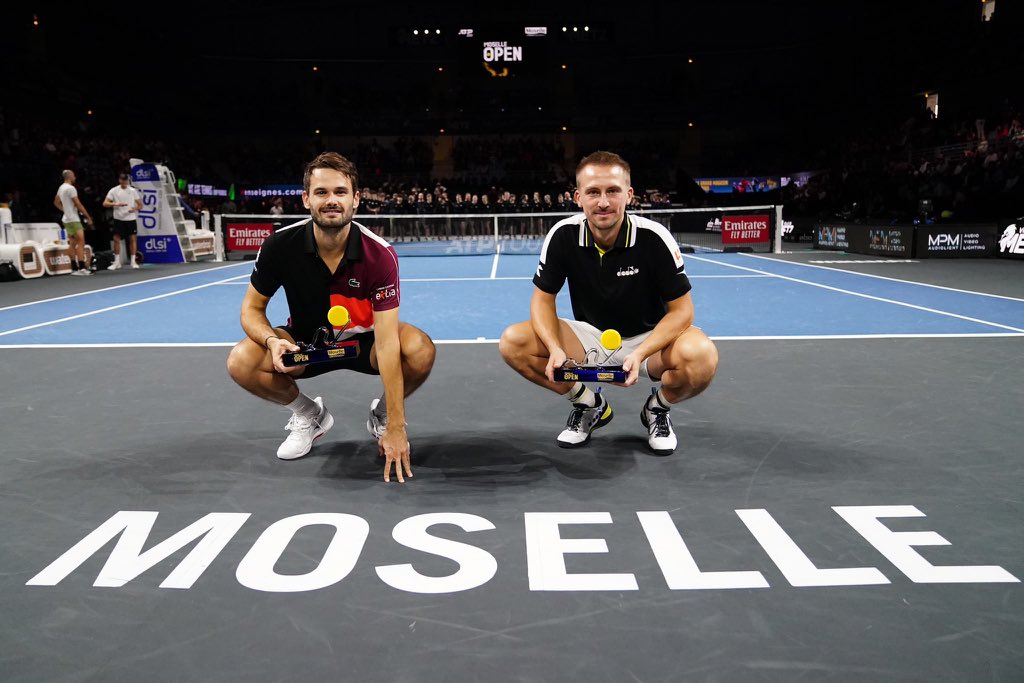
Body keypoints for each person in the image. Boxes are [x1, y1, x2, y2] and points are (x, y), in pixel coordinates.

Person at [226, 152, 435, 482]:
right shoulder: (280, 246)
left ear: (356, 199)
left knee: (418, 348)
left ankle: (380, 415)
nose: (331, 200)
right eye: (321, 192)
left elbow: (387, 341)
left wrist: (396, 424)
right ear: (306, 199)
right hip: (307, 346)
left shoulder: (379, 254)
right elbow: (251, 309)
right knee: (241, 361)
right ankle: (310, 415)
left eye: (340, 192)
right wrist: (272, 340)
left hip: (364, 344)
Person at [498, 151, 718, 455]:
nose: (603, 202)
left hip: (649, 340)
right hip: (589, 337)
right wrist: (555, 348)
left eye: (612, 191)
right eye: (593, 192)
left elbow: (683, 312)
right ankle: (589, 405)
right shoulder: (562, 236)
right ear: (578, 197)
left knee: (702, 356)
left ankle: (657, 408)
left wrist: (640, 354)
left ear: (628, 195)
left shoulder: (655, 239)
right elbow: (542, 301)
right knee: (514, 342)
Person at [53, 170, 95, 275]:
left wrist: (65, 210)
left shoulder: (61, 187)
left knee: (72, 243)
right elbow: (79, 204)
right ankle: (82, 268)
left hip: (66, 219)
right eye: (74, 176)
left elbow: (56, 202)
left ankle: (74, 268)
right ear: (70, 177)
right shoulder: (71, 188)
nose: (75, 177)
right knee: (81, 242)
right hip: (73, 219)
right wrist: (88, 217)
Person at [102, 173, 142, 269]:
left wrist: (134, 209)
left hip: (130, 219)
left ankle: (133, 261)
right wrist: (116, 204)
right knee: (116, 239)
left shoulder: (132, 191)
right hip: (118, 219)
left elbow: (140, 205)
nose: (124, 183)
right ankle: (117, 262)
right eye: (123, 181)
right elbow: (105, 203)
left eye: (126, 181)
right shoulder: (114, 190)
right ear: (120, 180)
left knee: (132, 239)